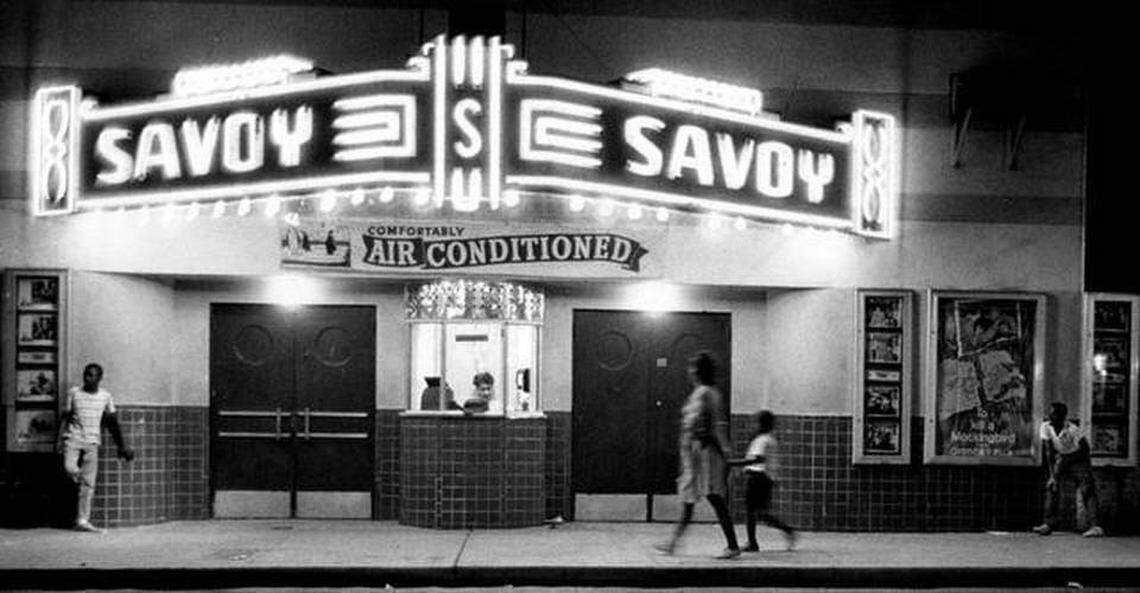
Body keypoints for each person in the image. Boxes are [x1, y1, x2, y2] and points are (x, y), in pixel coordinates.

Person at [655, 351, 740, 559]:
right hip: (696, 452)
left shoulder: (706, 393)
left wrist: (724, 455)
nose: (690, 371)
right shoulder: (703, 392)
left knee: (712, 497)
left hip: (703, 452)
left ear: (699, 371)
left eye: (693, 368)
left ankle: (732, 545)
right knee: (690, 498)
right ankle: (673, 543)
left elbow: (710, 427)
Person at [60, 363, 135, 533]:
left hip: (93, 442)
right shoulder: (73, 393)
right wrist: (59, 440)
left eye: (92, 375)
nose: (88, 378)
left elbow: (112, 421)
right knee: (69, 468)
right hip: (73, 438)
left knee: (89, 485)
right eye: (86, 374)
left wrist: (122, 445)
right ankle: (83, 481)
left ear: (100, 378)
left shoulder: (105, 396)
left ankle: (82, 520)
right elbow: (65, 417)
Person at [728, 410, 797, 551]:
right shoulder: (767, 439)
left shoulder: (763, 440)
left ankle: (784, 531)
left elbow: (757, 459)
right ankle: (754, 541)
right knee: (756, 512)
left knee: (756, 512)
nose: (753, 426)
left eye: (756, 423)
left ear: (762, 424)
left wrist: (734, 463)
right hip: (763, 478)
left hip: (759, 478)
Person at [1032, 402, 1104, 537]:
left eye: (1053, 413)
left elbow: (1085, 449)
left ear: (1061, 416)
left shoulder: (1072, 429)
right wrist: (1053, 475)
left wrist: (1066, 459)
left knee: (1086, 488)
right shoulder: (1045, 427)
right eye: (1050, 413)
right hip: (1061, 458)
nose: (1049, 416)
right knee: (1052, 487)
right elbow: (1049, 452)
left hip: (1078, 458)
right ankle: (1048, 524)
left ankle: (1096, 526)